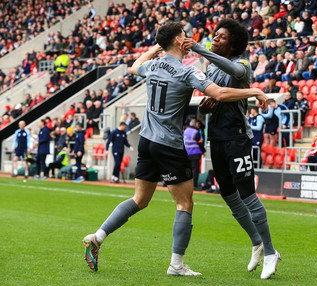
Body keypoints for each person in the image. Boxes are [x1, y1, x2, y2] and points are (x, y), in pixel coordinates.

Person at [82, 22, 268, 277]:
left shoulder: (153, 65)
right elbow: (221, 94)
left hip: (146, 140)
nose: (188, 38)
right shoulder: (185, 71)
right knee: (185, 203)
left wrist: (158, 46)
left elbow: (135, 66)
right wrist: (255, 91)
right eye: (183, 35)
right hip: (169, 143)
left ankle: (98, 235)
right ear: (180, 41)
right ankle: (176, 265)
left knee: (140, 199)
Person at [182, 19, 280, 279]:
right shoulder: (212, 71)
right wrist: (205, 107)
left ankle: (270, 252)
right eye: (214, 35)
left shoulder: (243, 64)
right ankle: (257, 241)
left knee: (247, 193)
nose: (215, 38)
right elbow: (210, 100)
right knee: (227, 193)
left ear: (234, 43)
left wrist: (201, 49)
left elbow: (236, 73)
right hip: (216, 137)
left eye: (221, 36)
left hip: (237, 137)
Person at [183, 119, 206, 190]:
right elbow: (200, 143)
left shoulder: (185, 131)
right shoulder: (196, 132)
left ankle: (186, 184)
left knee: (187, 169)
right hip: (195, 153)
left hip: (187, 153)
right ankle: (194, 184)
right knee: (196, 170)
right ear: (195, 124)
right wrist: (203, 151)